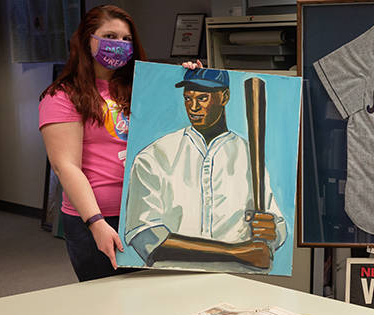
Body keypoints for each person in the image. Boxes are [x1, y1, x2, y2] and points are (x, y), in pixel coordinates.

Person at [123, 66, 287, 273]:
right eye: (188, 98)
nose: (193, 107)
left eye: (202, 98)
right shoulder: (154, 156)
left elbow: (276, 225)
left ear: (224, 96)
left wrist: (272, 231)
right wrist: (238, 253)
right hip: (172, 280)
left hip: (238, 281)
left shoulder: (249, 156)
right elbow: (147, 239)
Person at [38, 5, 147, 282]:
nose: (120, 45)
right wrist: (95, 223)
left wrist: (189, 77)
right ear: (87, 39)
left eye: (126, 40)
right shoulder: (63, 95)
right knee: (109, 304)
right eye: (110, 36)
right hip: (97, 217)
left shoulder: (140, 87)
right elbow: (66, 167)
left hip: (146, 211)